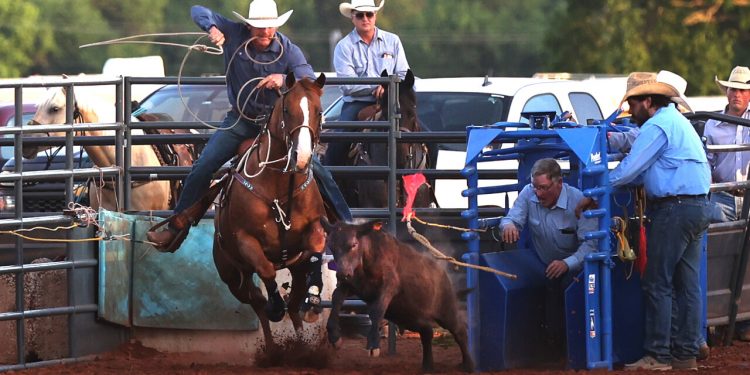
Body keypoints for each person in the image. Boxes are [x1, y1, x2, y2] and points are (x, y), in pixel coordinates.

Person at [146, 0, 352, 312]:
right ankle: (179, 223)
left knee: (316, 169)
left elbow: (308, 80)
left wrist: (284, 80)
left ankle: (344, 226)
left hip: (276, 126)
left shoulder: (289, 50)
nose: (266, 30)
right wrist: (211, 28)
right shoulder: (232, 33)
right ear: (249, 25)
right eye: (261, 25)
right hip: (240, 120)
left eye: (271, 25)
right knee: (204, 165)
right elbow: (197, 10)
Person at [585, 71, 711, 371]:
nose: (631, 110)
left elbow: (630, 169)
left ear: (648, 101)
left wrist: (595, 192)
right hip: (696, 206)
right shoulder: (675, 122)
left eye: (634, 103)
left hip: (674, 209)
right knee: (687, 285)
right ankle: (686, 354)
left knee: (658, 281)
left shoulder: (658, 126)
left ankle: (659, 354)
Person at [500, 158, 597, 361]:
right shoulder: (529, 193)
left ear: (559, 182)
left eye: (543, 188)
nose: (538, 193)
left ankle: (567, 350)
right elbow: (512, 218)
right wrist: (508, 225)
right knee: (545, 286)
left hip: (576, 267)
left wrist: (567, 264)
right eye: (536, 187)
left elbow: (591, 245)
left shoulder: (578, 200)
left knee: (566, 289)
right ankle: (547, 349)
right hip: (543, 264)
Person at [324, 0, 410, 167]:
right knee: (338, 138)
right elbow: (347, 85)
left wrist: (387, 88)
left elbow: (404, 73)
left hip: (392, 101)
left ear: (375, 16)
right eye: (360, 15)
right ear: (352, 18)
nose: (365, 18)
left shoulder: (393, 41)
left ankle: (426, 180)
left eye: (369, 14)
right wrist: (375, 88)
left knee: (425, 136)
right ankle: (330, 179)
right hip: (357, 104)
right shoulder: (344, 46)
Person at [704, 66, 750, 342]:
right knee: (720, 255)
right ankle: (717, 319)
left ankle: (741, 320)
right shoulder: (713, 124)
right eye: (733, 88)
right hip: (722, 195)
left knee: (745, 260)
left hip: (747, 195)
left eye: (742, 89)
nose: (737, 94)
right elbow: (707, 164)